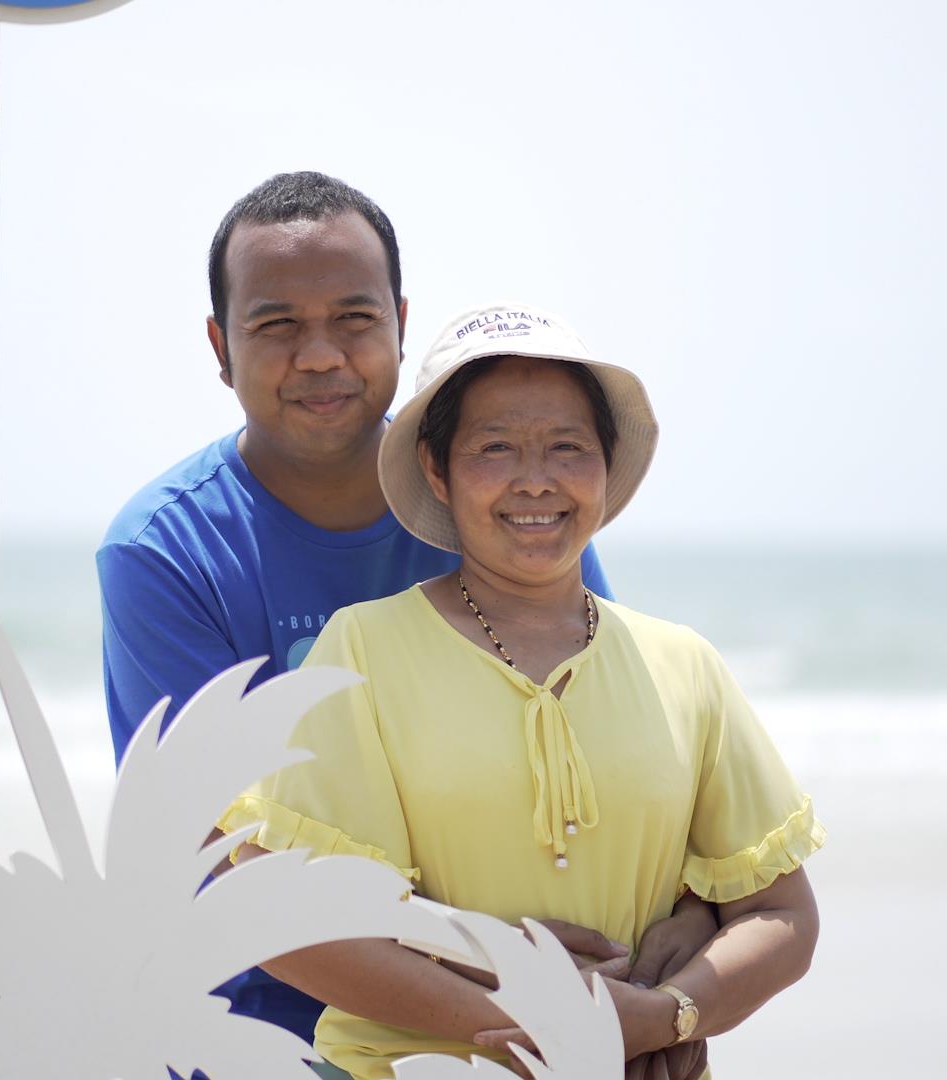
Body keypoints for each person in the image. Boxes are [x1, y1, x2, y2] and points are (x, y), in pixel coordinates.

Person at [96, 175, 716, 1052]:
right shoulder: (167, 550)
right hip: (257, 1037)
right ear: (220, 347)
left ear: (399, 325)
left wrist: (682, 945)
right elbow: (212, 857)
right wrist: (497, 975)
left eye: (354, 318)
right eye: (277, 325)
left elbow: (615, 747)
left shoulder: (506, 504)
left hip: (529, 1027)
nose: (320, 356)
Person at [220, 303, 825, 1080]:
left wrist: (673, 1013)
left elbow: (781, 914)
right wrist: (537, 1025)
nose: (536, 479)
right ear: (437, 470)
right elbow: (288, 921)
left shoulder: (684, 663)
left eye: (567, 447)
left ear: (605, 464)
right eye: (495, 447)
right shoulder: (363, 649)